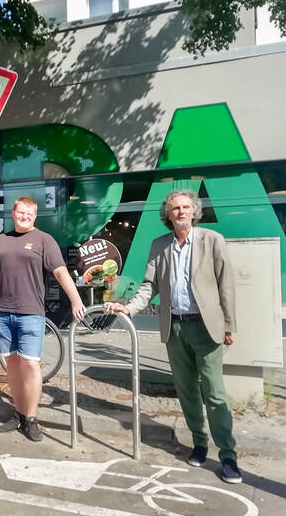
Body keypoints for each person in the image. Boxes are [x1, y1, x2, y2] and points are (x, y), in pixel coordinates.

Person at [103, 189, 241, 484]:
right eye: (175, 208)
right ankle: (200, 442)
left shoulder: (211, 241)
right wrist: (127, 308)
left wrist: (229, 325)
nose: (180, 212)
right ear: (168, 214)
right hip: (174, 327)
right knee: (187, 391)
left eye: (186, 207)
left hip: (206, 327)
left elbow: (225, 285)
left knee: (214, 393)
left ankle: (228, 454)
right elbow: (148, 286)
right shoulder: (160, 245)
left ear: (194, 212)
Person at [0, 196, 85, 442]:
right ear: (13, 213)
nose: (24, 216)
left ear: (35, 216)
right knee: (13, 365)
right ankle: (18, 413)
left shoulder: (44, 240)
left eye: (30, 213)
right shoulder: (0, 240)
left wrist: (76, 299)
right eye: (20, 212)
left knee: (31, 365)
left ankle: (32, 417)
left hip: (31, 314)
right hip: (3, 312)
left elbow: (60, 271)